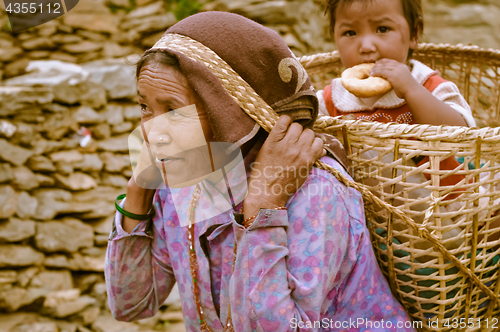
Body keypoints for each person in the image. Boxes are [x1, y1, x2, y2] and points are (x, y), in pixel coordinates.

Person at [105, 11, 415, 331]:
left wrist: (262, 207)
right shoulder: (182, 182)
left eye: (174, 111)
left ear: (230, 113)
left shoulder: (315, 192)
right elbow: (132, 304)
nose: (152, 132)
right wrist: (137, 193)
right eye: (145, 107)